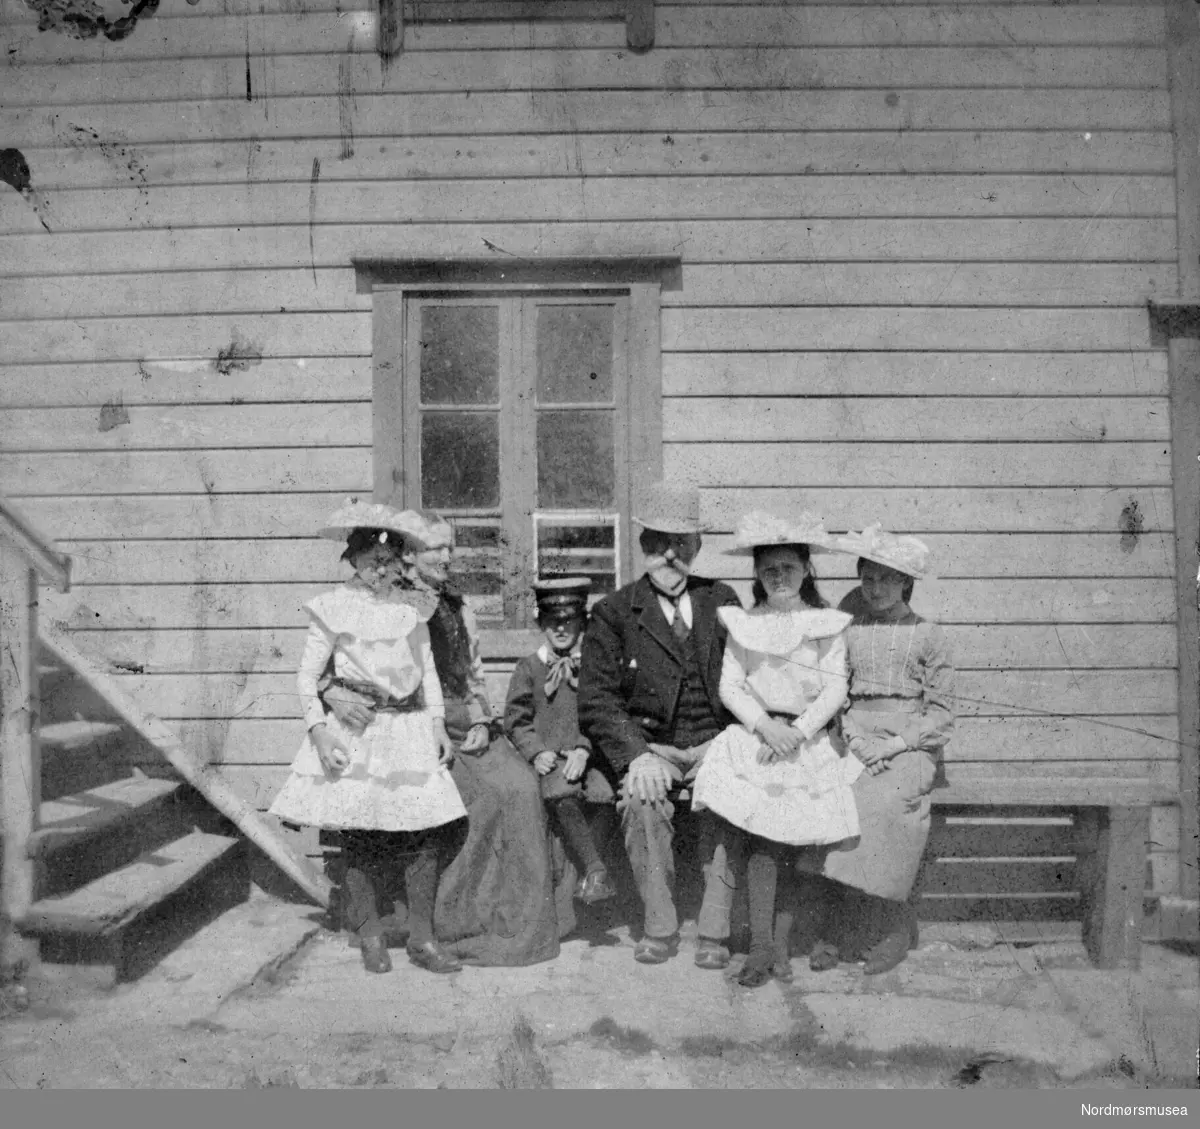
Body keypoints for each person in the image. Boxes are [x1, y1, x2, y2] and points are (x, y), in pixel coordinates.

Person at [323, 510, 573, 966]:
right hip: (415, 726)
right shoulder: (389, 601)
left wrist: (481, 720)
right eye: (435, 547)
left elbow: (473, 674)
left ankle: (519, 925)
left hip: (465, 720)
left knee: (520, 787)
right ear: (409, 555)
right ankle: (454, 923)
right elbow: (336, 666)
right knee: (479, 800)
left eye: (449, 547)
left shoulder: (458, 604)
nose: (447, 556)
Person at [268, 500, 466, 975]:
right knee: (360, 834)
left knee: (422, 831)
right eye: (369, 560)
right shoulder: (333, 608)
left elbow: (429, 672)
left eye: (388, 560)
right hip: (358, 731)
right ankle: (370, 934)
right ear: (353, 561)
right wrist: (317, 731)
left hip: (409, 727)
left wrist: (437, 723)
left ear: (401, 561)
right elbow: (306, 676)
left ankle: (422, 937)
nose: (379, 570)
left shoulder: (412, 607)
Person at [691, 510, 862, 987]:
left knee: (800, 839)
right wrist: (766, 726)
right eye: (769, 570)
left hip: (808, 739)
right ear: (757, 576)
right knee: (762, 832)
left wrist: (799, 731)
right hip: (759, 736)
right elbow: (732, 687)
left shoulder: (826, 623)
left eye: (789, 567)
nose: (779, 577)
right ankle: (763, 946)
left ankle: (782, 941)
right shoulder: (746, 624)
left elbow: (834, 689)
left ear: (807, 570)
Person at [578, 481, 742, 965]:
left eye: (682, 544)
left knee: (732, 796)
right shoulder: (614, 612)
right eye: (657, 542)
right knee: (642, 799)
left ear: (698, 548)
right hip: (655, 748)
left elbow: (750, 679)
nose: (670, 554)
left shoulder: (722, 600)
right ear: (642, 545)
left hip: (717, 741)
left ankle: (714, 934)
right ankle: (660, 926)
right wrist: (637, 756)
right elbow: (597, 701)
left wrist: (732, 740)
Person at [813, 525, 956, 976]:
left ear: (906, 584)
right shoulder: (850, 628)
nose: (876, 590)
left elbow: (942, 714)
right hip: (856, 734)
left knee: (891, 804)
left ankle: (893, 928)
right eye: (868, 579)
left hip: (909, 742)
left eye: (887, 580)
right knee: (836, 799)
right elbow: (838, 693)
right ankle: (840, 929)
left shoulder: (929, 635)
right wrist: (855, 739)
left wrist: (894, 745)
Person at [504, 577, 618, 906]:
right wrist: (535, 751)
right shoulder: (529, 667)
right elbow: (516, 718)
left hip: (589, 755)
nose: (561, 629)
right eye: (553, 622)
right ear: (541, 623)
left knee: (605, 795)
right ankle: (596, 870)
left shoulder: (595, 667)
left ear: (582, 623)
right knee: (561, 792)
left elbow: (604, 713)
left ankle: (590, 875)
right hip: (551, 760)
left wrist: (584, 748)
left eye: (569, 621)